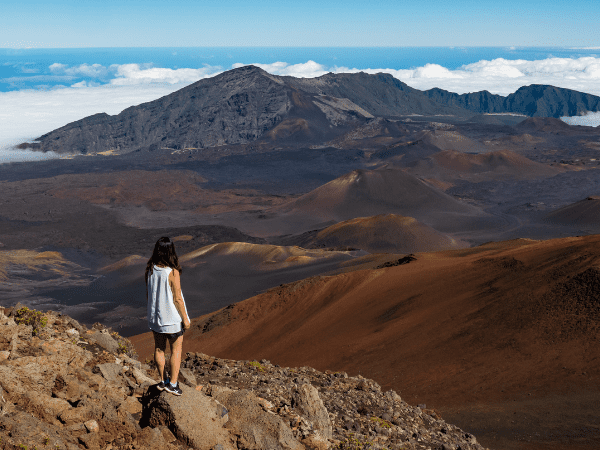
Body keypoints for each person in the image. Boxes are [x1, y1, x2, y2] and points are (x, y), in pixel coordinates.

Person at [145, 236, 191, 396]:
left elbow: (149, 294)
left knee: (159, 349)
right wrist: (185, 318)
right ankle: (173, 384)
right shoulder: (172, 272)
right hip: (171, 319)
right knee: (176, 350)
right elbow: (177, 298)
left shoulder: (150, 268)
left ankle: (163, 380)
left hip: (155, 319)